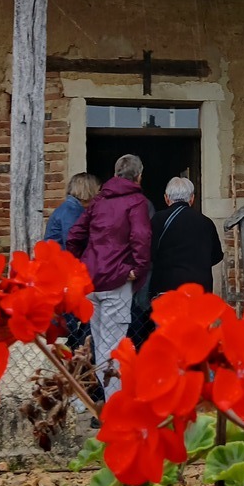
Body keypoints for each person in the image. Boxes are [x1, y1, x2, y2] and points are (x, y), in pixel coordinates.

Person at [66, 154, 152, 399]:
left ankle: (106, 401)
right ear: (139, 176)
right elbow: (141, 237)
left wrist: (82, 264)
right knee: (113, 346)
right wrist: (137, 269)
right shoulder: (136, 201)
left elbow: (74, 236)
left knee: (101, 343)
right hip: (117, 280)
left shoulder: (98, 201)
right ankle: (114, 403)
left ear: (115, 174)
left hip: (93, 281)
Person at [43, 172, 101, 351]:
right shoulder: (72, 211)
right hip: (63, 275)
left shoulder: (69, 208)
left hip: (59, 273)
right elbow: (74, 243)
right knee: (73, 320)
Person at [149, 176, 224, 298]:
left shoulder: (158, 219)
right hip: (200, 290)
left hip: (167, 288)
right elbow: (217, 256)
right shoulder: (206, 222)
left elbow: (149, 253)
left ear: (166, 198)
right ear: (192, 198)